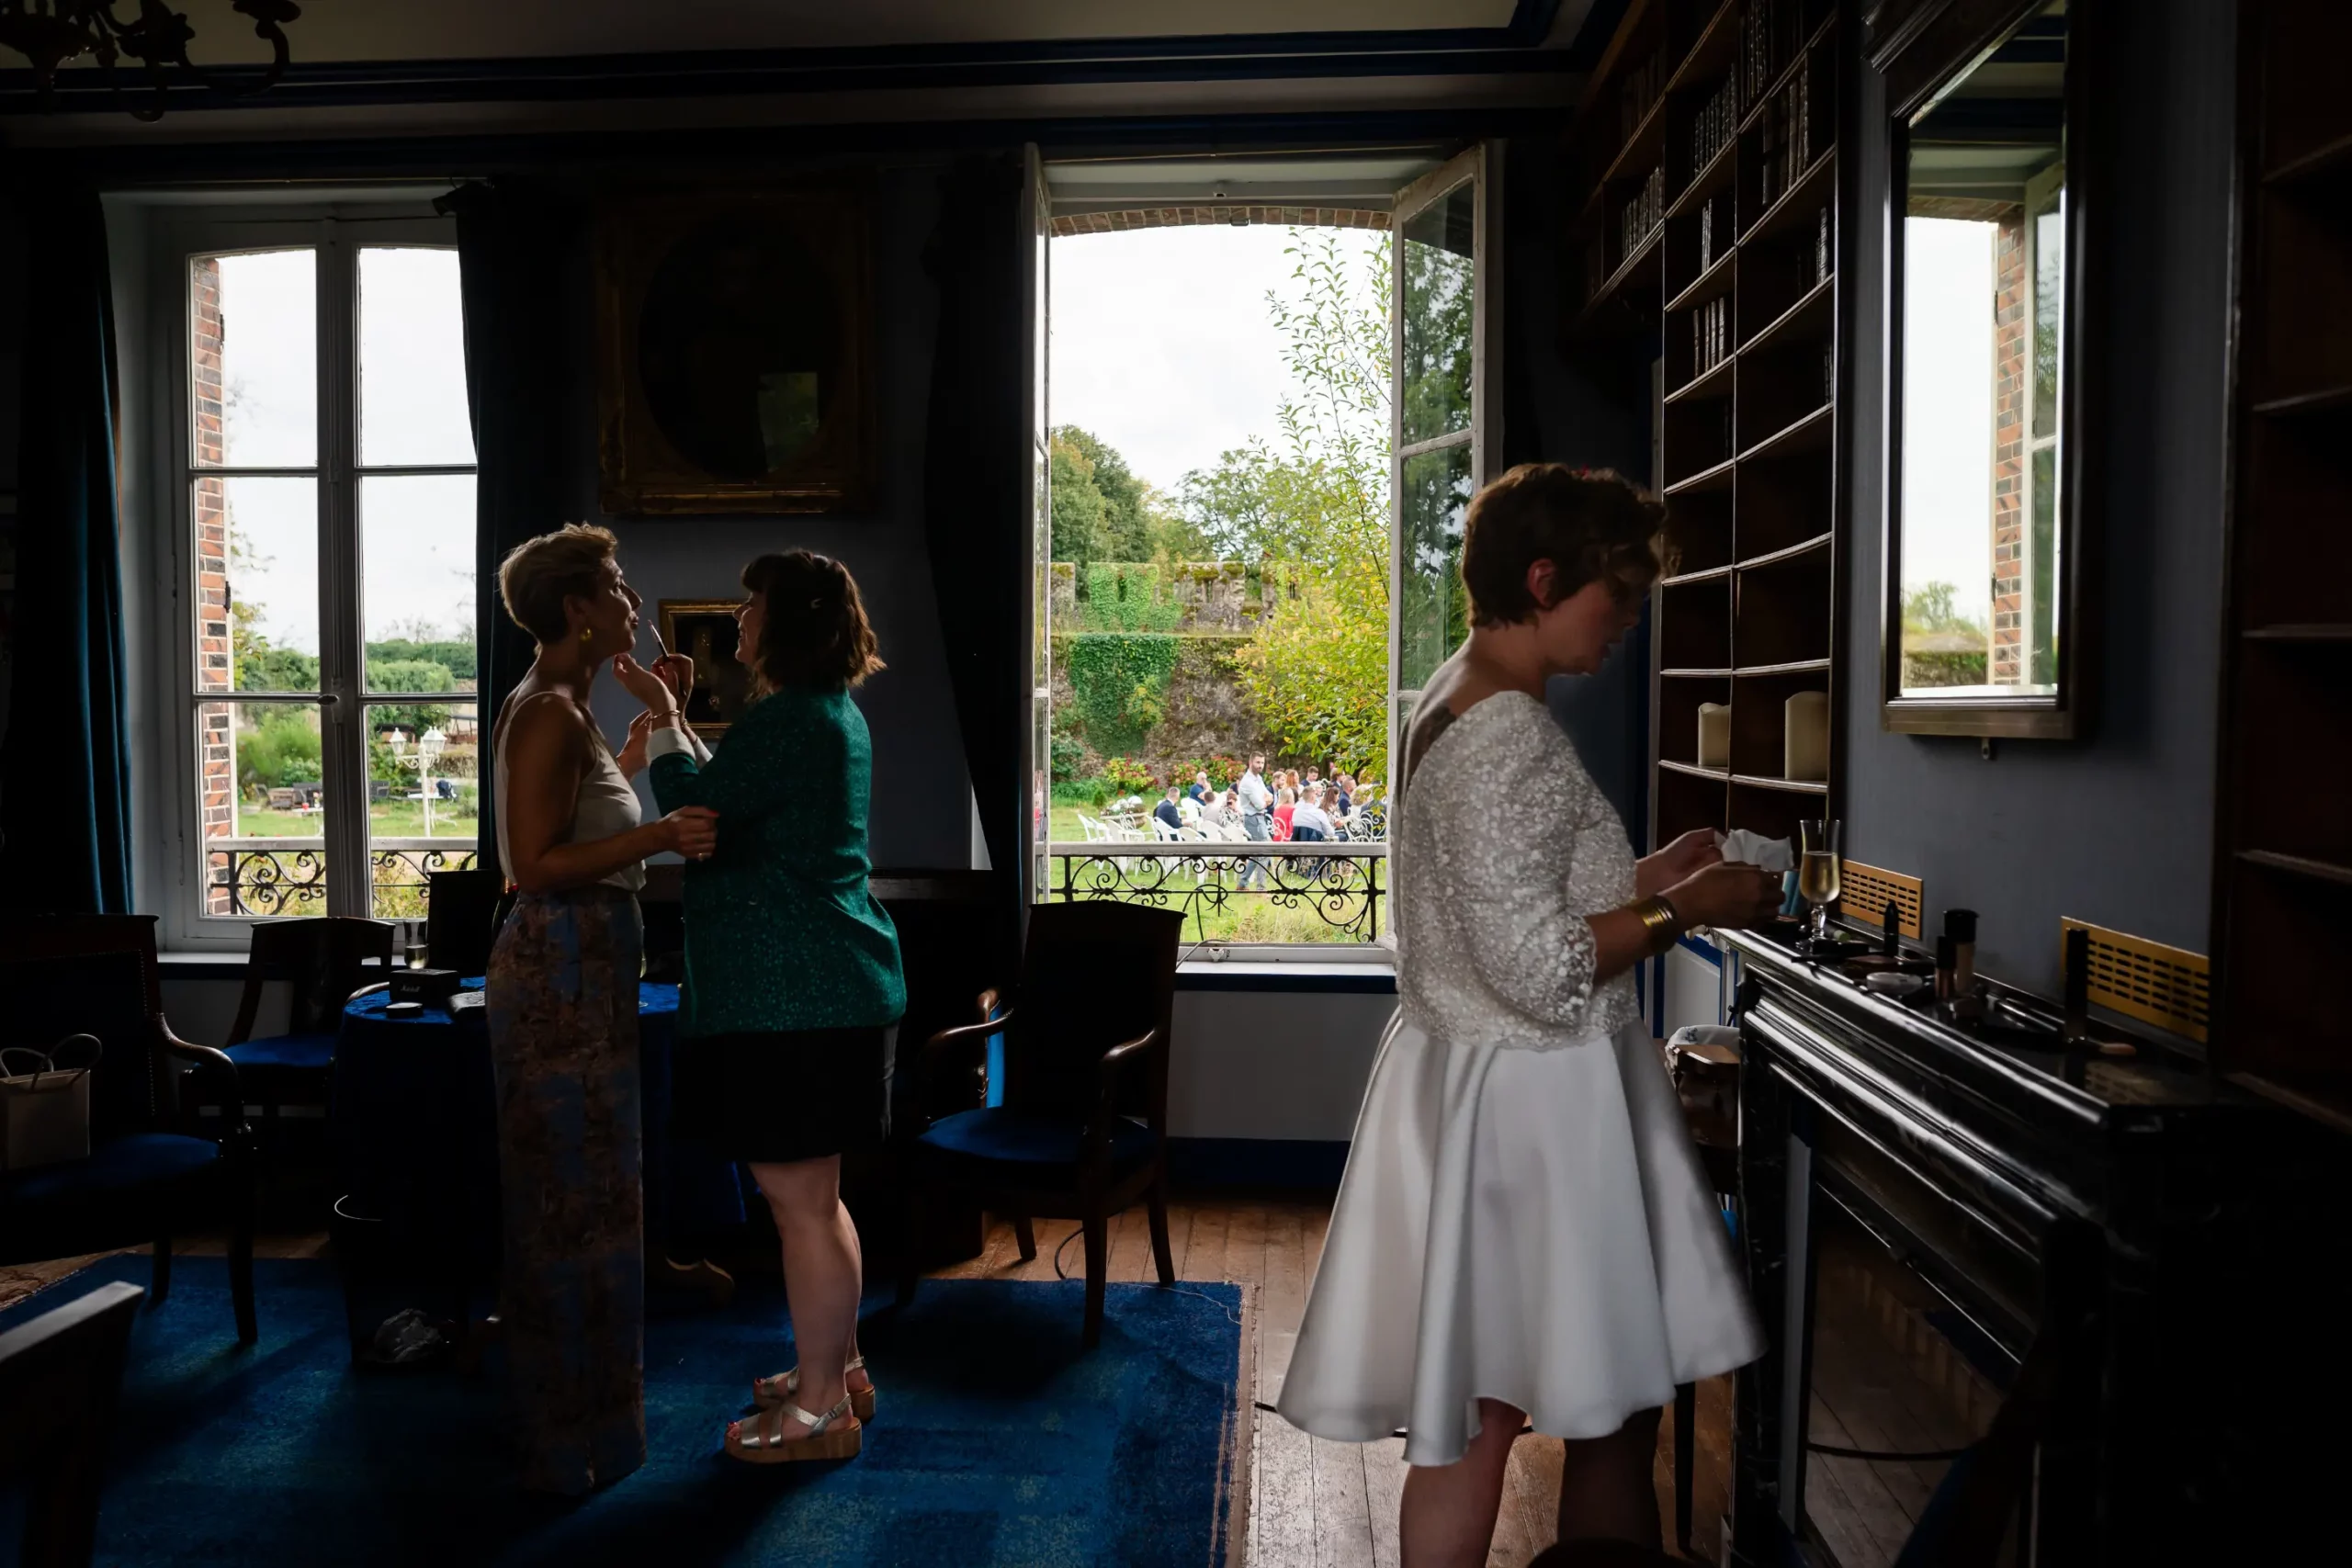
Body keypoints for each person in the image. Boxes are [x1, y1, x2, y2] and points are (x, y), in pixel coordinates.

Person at [1276, 466, 1781, 1565]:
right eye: (1619, 594)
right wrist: (1679, 906)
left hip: (1481, 1087)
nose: (1628, 622)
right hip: (1537, 1108)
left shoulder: (1453, 695)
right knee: (1516, 1408)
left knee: (1501, 1403)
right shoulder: (1507, 734)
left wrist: (1648, 871)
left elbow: (1506, 897)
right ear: (1544, 579)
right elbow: (1540, 966)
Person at [624, 548, 906, 1465]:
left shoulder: (791, 719)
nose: (739, 621)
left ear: (787, 622)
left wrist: (665, 718)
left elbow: (696, 815)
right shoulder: (822, 715)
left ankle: (821, 1412)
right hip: (825, 988)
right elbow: (730, 799)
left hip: (796, 998)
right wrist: (677, 726)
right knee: (816, 1202)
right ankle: (840, 1366)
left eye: (751, 607)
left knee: (799, 1207)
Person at [483, 525, 719, 1495]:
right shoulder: (545, 712)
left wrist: (653, 729)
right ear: (579, 610)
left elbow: (583, 812)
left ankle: (595, 1424)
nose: (629, 600)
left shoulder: (573, 713)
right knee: (567, 1204)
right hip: (558, 970)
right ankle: (564, 1433)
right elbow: (529, 867)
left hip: (590, 966)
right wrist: (660, 832)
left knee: (595, 1195)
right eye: (617, 587)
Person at [1236, 754, 1274, 889]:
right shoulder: (1247, 782)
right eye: (1257, 762)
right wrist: (1265, 801)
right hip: (1254, 819)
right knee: (1264, 851)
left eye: (1262, 763)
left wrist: (1266, 800)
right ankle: (1261, 889)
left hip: (1260, 818)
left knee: (1258, 853)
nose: (1260, 765)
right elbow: (1260, 805)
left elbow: (1270, 797)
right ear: (1250, 762)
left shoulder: (1258, 779)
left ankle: (1242, 883)